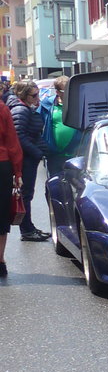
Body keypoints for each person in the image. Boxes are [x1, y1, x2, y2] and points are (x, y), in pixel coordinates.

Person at [9, 80, 50, 241]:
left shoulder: (25, 108)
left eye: (37, 94)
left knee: (27, 195)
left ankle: (29, 228)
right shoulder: (21, 110)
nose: (37, 98)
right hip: (25, 159)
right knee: (25, 195)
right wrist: (37, 152)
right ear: (24, 95)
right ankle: (27, 231)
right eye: (34, 95)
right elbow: (19, 136)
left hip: (28, 157)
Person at [0, 100, 22, 276]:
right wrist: (18, 172)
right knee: (1, 214)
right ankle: (0, 261)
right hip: (1, 165)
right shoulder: (1, 108)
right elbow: (12, 142)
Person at [43, 76, 78, 179]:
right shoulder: (48, 104)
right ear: (57, 92)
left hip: (75, 153)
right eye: (65, 90)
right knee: (55, 185)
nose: (69, 93)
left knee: (75, 187)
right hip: (54, 155)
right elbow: (36, 125)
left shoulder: (78, 103)